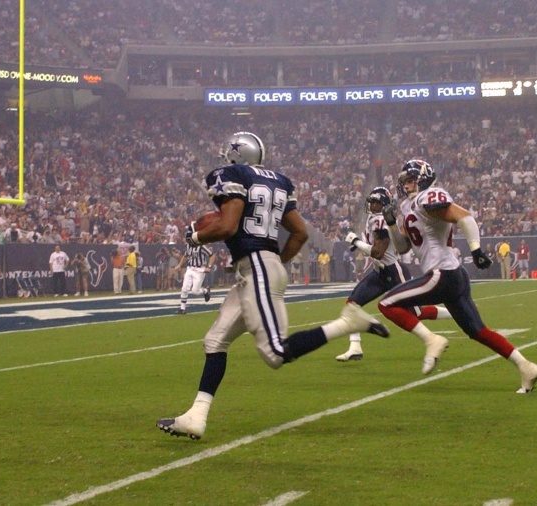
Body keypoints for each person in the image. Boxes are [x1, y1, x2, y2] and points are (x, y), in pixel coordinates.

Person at [157, 132, 388, 441]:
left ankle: (347, 324)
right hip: (258, 267)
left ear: (237, 154)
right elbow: (300, 233)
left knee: (275, 353)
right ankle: (196, 416)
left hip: (258, 269)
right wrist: (272, 260)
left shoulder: (232, 174)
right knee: (215, 341)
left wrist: (196, 236)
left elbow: (228, 226)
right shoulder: (278, 180)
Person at [377, 159, 537, 392]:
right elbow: (403, 248)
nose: (407, 185)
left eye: (412, 180)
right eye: (404, 181)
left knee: (386, 303)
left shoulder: (429, 196)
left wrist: (475, 249)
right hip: (453, 275)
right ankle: (525, 366)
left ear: (424, 178)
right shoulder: (407, 206)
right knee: (478, 331)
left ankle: (431, 340)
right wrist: (392, 224)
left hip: (442, 273)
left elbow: (464, 217)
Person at [336, 186, 451, 362]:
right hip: (379, 272)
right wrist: (359, 243)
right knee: (352, 305)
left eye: (376, 202)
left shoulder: (381, 220)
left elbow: (377, 253)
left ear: (384, 205)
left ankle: (451, 313)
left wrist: (356, 241)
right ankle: (355, 347)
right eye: (372, 202)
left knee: (416, 313)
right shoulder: (373, 219)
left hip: (394, 272)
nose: (372, 205)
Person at [175, 240, 214, 314]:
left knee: (195, 291)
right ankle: (182, 308)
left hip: (199, 269)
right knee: (184, 288)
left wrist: (209, 267)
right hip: (190, 268)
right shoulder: (189, 245)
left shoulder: (202, 247)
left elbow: (212, 255)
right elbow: (185, 255)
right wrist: (179, 265)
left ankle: (206, 290)